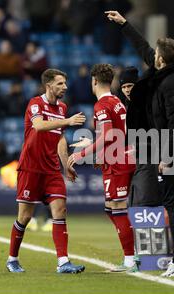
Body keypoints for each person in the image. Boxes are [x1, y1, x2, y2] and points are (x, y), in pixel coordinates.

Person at [105, 11, 174, 277]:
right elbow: (143, 47)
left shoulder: (169, 84)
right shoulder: (165, 72)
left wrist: (167, 155)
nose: (151, 55)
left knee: (172, 202)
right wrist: (124, 25)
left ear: (161, 58)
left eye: (155, 53)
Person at [6, 68, 87, 274]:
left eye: (65, 83)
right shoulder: (35, 103)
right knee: (24, 217)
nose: (65, 87)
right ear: (48, 85)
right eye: (60, 83)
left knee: (60, 211)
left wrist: (65, 163)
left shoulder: (62, 107)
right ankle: (12, 259)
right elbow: (40, 126)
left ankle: (63, 262)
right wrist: (68, 121)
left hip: (51, 169)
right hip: (31, 168)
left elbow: (59, 137)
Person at [68, 63, 138, 273]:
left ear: (94, 81)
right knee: (111, 208)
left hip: (119, 162)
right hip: (120, 157)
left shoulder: (101, 106)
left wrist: (82, 154)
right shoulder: (117, 101)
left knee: (117, 208)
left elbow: (108, 134)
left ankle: (130, 260)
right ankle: (133, 254)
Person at [119, 66, 162, 207]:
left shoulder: (147, 105)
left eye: (130, 85)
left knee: (146, 203)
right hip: (135, 160)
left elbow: (159, 133)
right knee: (135, 203)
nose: (126, 89)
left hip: (149, 159)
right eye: (124, 86)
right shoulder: (128, 105)